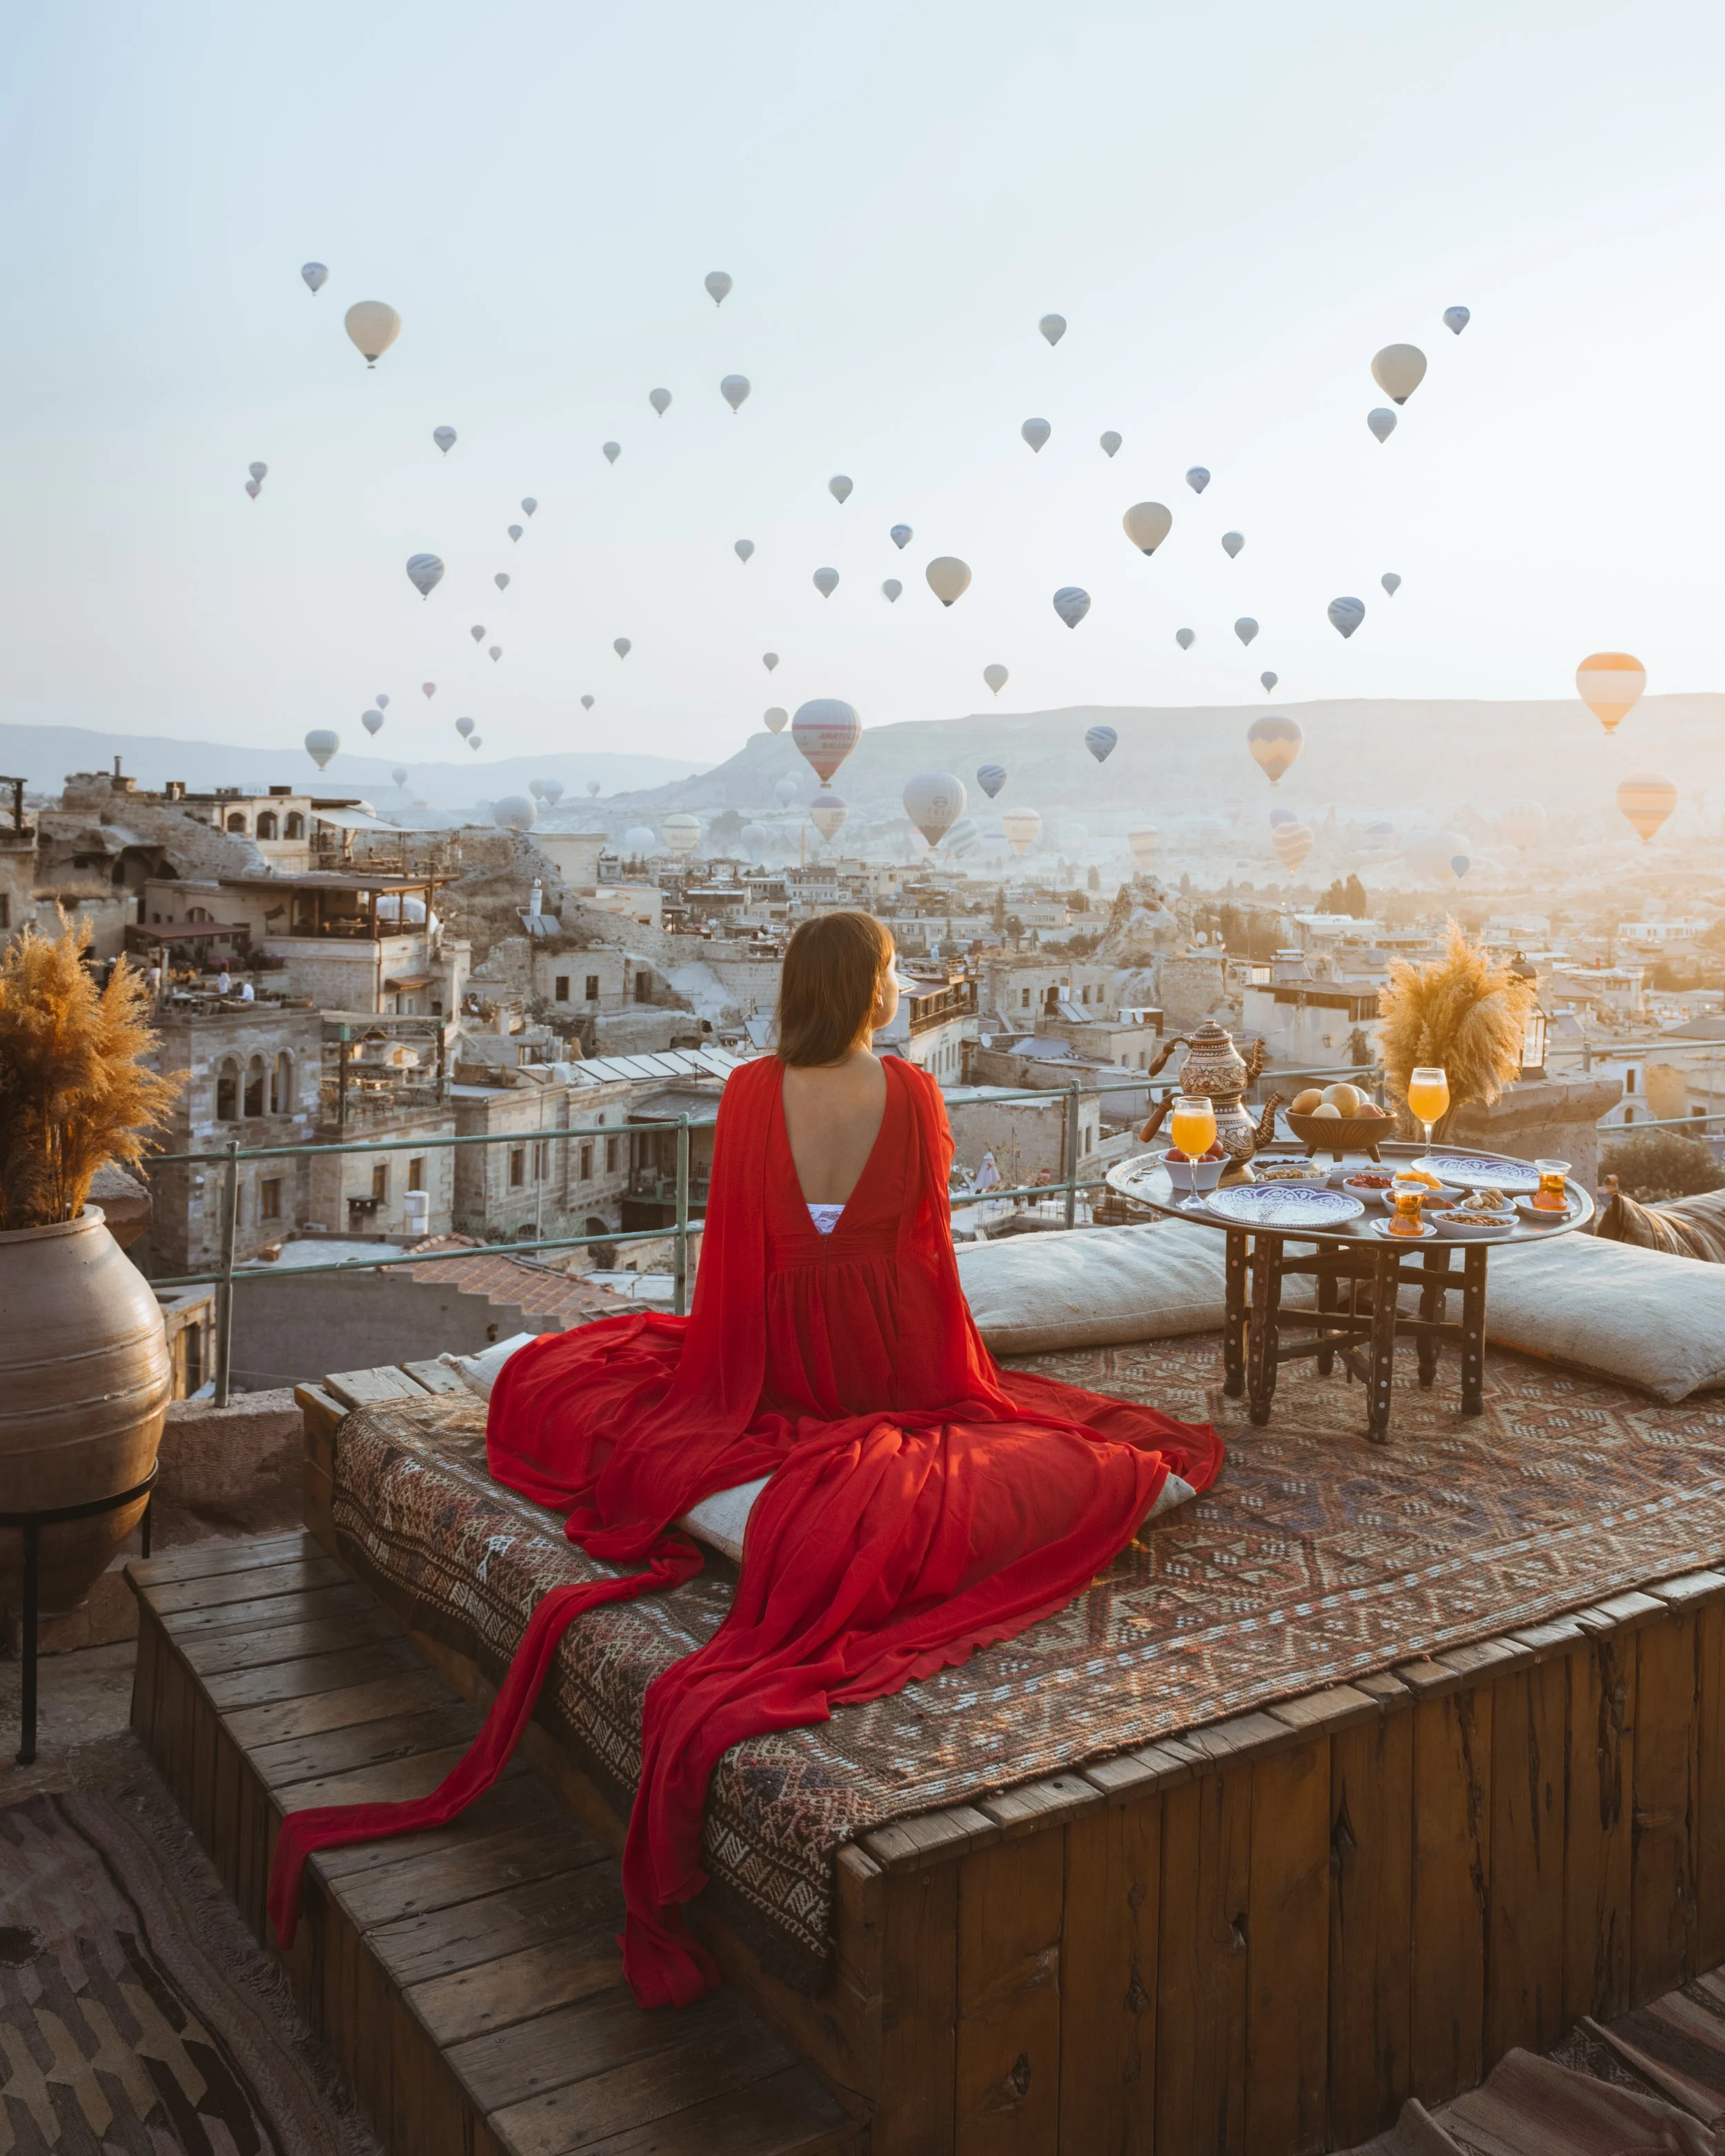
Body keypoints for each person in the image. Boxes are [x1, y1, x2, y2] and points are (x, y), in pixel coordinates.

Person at [269, 911, 1221, 2006]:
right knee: (1085, 1443)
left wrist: (728, 1374)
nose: (901, 982)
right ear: (866, 988)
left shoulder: (748, 1093)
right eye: (892, 971)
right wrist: (945, 1376)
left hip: (771, 1347)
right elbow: (924, 1251)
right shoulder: (912, 1093)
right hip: (884, 1352)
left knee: (583, 1373)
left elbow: (732, 1250)